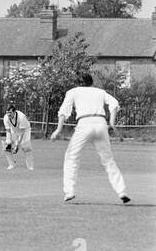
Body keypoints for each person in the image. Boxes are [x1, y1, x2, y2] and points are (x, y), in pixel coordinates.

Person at [50, 72, 130, 203]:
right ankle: (121, 191)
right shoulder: (100, 92)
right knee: (108, 160)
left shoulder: (73, 92)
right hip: (101, 124)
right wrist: (112, 123)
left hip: (84, 124)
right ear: (91, 82)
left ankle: (69, 191)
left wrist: (58, 130)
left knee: (71, 158)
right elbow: (114, 103)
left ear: (77, 82)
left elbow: (63, 111)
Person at [2, 104, 34, 170]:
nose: (8, 114)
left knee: (26, 147)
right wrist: (8, 141)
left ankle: (30, 166)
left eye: (10, 112)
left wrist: (17, 145)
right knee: (6, 147)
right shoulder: (6, 117)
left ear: (14, 112)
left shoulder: (21, 117)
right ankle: (11, 165)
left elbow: (22, 132)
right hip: (14, 130)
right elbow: (8, 130)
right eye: (7, 112)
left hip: (25, 131)